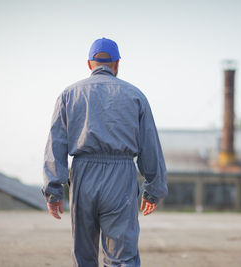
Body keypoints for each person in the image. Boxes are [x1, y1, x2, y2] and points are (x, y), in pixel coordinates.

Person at [41, 37, 168, 267]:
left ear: (89, 63)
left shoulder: (68, 95)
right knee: (122, 257)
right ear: (117, 64)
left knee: (84, 257)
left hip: (83, 174)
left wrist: (53, 190)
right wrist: (153, 189)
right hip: (120, 178)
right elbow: (150, 145)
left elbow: (55, 144)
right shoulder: (136, 96)